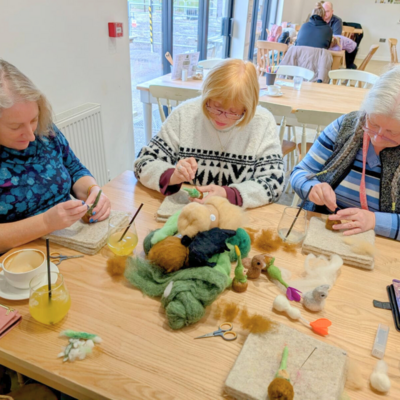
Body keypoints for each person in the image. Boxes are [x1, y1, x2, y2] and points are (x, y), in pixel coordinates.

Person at [134, 59, 284, 209]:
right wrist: (172, 176)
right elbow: (143, 163)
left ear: (248, 107)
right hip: (188, 211)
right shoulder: (185, 114)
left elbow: (274, 183)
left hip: (236, 215)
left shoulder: (262, 122)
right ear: (206, 94)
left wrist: (228, 194)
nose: (222, 117)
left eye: (233, 112)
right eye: (216, 107)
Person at [0, 60, 111, 253]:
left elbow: (74, 169)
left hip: (69, 241)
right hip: (22, 259)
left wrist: (92, 190)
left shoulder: (45, 130)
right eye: (15, 127)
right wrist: (45, 222)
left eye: (33, 120)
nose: (31, 135)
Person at [290, 66, 400, 240]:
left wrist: (375, 221)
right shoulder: (347, 126)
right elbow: (299, 173)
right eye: (373, 124)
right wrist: (311, 188)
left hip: (382, 242)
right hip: (323, 228)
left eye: (392, 132)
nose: (377, 138)